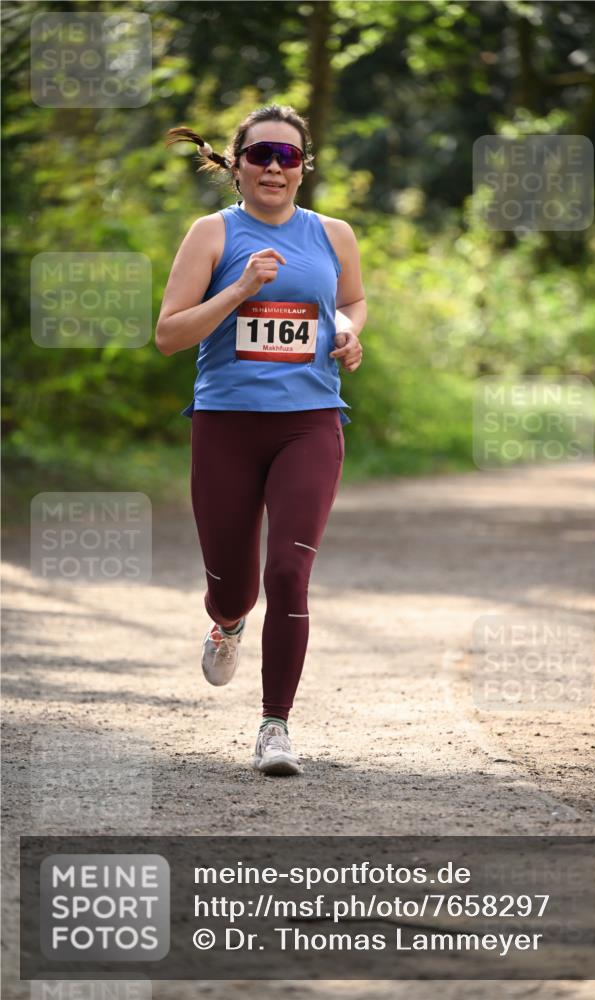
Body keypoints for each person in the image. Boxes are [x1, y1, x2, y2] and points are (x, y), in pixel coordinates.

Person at [156, 104, 366, 777]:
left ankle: (274, 726)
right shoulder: (211, 235)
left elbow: (353, 302)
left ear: (304, 168)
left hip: (310, 422)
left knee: (288, 573)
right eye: (260, 155)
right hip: (225, 425)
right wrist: (240, 289)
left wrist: (349, 331)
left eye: (288, 156)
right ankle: (225, 622)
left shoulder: (333, 235)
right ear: (236, 164)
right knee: (234, 586)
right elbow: (169, 334)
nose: (274, 167)